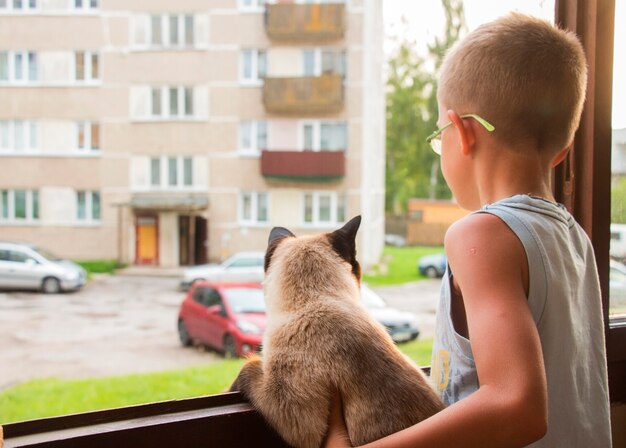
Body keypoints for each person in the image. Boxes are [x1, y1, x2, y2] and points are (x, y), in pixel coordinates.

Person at [324, 12, 612, 448]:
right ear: (560, 152)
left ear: (462, 132)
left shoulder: (480, 236)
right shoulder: (573, 238)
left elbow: (519, 406)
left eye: (439, 137)